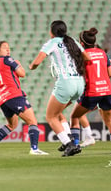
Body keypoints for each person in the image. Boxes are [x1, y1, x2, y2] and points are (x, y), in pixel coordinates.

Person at [29, 20, 90, 157]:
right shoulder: (72, 41)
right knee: (58, 113)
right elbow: (87, 57)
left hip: (66, 83)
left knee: (50, 117)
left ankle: (69, 144)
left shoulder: (52, 42)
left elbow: (36, 62)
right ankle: (68, 139)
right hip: (79, 83)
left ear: (52, 31)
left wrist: (31, 67)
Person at [0, 41, 48, 155]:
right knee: (32, 121)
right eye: (4, 48)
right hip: (14, 95)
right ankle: (34, 149)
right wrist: (18, 64)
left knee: (12, 125)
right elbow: (22, 74)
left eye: (9, 48)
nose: (8, 50)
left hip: (3, 99)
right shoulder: (8, 60)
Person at [69, 27, 111, 155]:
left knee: (75, 116)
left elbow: (79, 73)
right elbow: (110, 74)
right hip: (107, 90)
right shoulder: (103, 53)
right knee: (109, 121)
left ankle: (75, 145)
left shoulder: (83, 56)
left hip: (93, 91)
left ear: (82, 43)